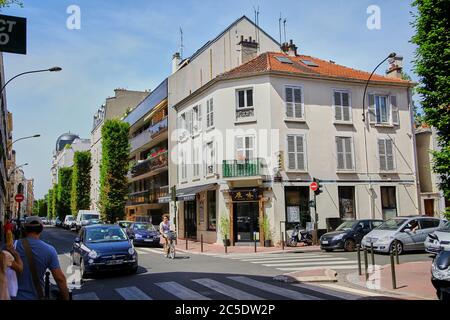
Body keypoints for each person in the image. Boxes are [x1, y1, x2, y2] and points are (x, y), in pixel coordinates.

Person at [14, 216, 69, 300]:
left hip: (11, 296)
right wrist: (66, 297)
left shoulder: (12, 246)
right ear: (42, 229)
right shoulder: (49, 250)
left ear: (24, 229)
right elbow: (59, 279)